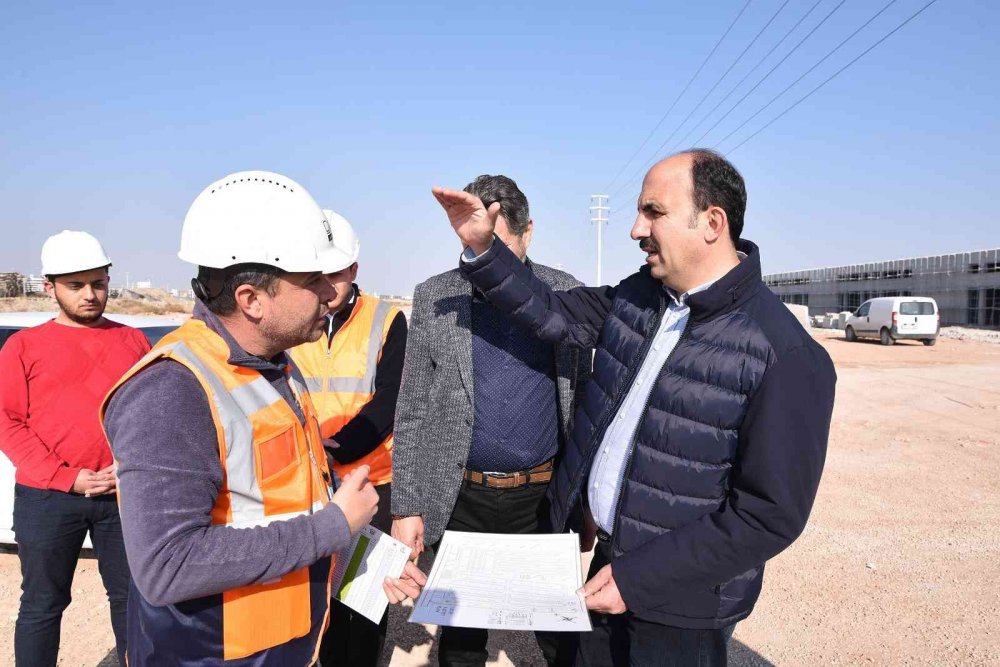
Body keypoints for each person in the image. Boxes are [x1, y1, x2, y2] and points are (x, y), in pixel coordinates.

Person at [433, 150, 837, 666]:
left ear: (712, 222)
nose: (634, 229)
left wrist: (639, 578)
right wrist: (486, 251)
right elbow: (553, 313)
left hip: (682, 605)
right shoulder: (642, 297)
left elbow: (767, 516)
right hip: (607, 565)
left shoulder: (784, 354)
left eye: (653, 212)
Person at [102, 170, 424, 666]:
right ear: (251, 299)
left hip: (282, 648)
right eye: (311, 280)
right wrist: (334, 528)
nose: (328, 293)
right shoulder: (173, 390)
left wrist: (359, 564)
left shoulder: (277, 366)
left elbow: (282, 507)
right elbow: (166, 566)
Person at [392, 174, 589, 667]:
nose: (491, 267)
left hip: (542, 501)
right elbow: (413, 408)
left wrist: (584, 503)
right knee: (460, 641)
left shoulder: (566, 294)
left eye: (500, 250)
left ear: (529, 232)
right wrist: (406, 505)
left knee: (560, 637)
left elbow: (588, 409)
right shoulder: (436, 297)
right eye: (480, 250)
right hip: (462, 500)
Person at [0, 230, 148, 667]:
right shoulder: (22, 347)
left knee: (133, 600)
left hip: (121, 495)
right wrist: (67, 476)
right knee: (43, 604)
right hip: (47, 499)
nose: (90, 294)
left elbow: (148, 417)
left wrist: (129, 467)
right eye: (76, 285)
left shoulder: (134, 342)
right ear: (50, 288)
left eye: (98, 283)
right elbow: (8, 423)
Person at [289, 209, 407, 666]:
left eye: (335, 275)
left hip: (371, 482)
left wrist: (337, 446)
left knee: (362, 603)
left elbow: (392, 397)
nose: (326, 286)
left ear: (354, 270)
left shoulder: (387, 317)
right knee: (309, 600)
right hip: (306, 483)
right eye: (316, 275)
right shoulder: (291, 318)